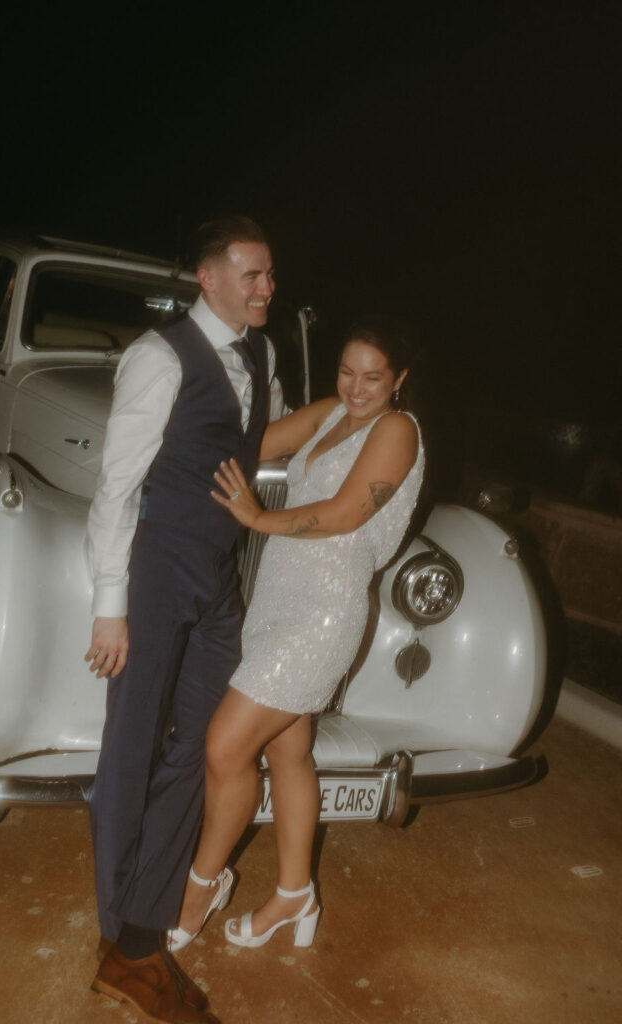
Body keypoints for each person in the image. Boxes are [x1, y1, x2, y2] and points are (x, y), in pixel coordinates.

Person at [85, 215, 287, 1024]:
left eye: (271, 275)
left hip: (216, 581)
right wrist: (111, 609)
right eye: (252, 276)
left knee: (203, 749)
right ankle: (126, 946)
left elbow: (252, 440)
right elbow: (115, 488)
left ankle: (141, 923)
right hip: (155, 577)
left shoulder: (261, 351)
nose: (267, 289)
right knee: (130, 752)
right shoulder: (157, 356)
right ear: (208, 279)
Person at [168, 316, 424, 954]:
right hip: (277, 598)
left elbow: (343, 516)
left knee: (226, 748)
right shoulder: (333, 412)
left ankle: (200, 886)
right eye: (347, 371)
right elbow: (248, 444)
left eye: (373, 377)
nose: (357, 387)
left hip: (325, 612)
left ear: (399, 380)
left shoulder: (398, 429)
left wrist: (257, 515)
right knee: (287, 753)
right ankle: (294, 893)